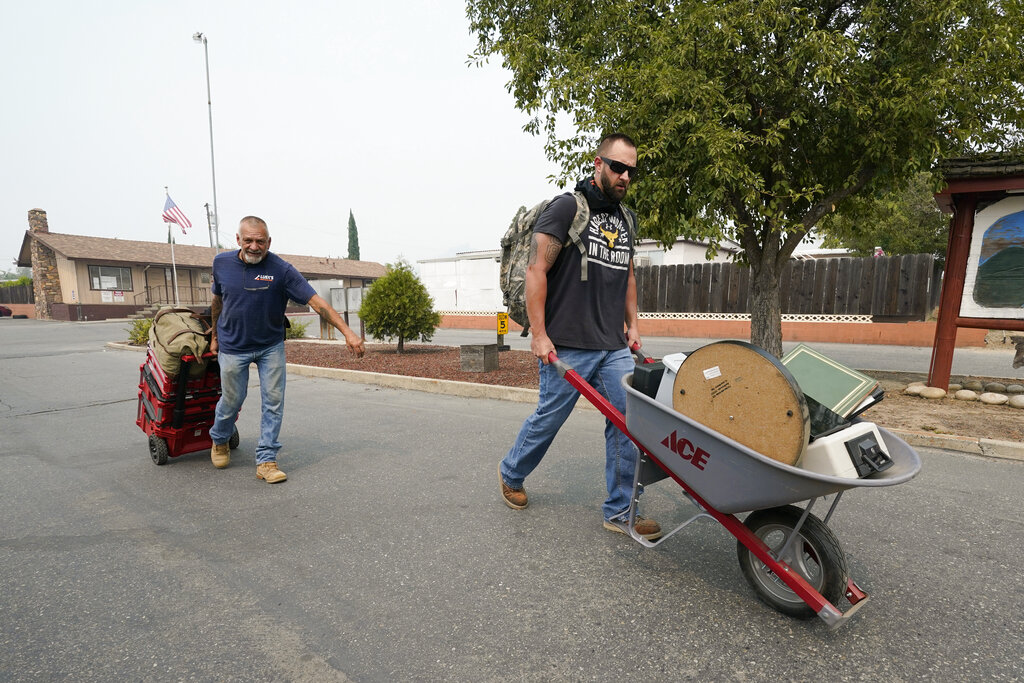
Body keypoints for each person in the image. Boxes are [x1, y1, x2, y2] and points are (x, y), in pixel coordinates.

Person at [498, 133, 662, 540]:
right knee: (550, 418)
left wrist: (634, 325)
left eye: (631, 170)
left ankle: (621, 511)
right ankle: (511, 471)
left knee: (627, 423)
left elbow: (627, 275)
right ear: (598, 163)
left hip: (612, 346)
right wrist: (539, 335)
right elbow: (537, 270)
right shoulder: (567, 208)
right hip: (567, 342)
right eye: (617, 167)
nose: (624, 176)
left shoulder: (626, 219)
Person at [208, 216, 365, 483]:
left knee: (273, 402)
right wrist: (214, 336)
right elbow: (217, 301)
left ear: (269, 242)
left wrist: (348, 332)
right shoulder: (221, 263)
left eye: (260, 241)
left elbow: (317, 303)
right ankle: (220, 438)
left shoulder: (282, 270)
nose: (254, 246)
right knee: (233, 400)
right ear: (238, 240)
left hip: (270, 346)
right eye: (248, 240)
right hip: (233, 345)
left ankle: (267, 460)